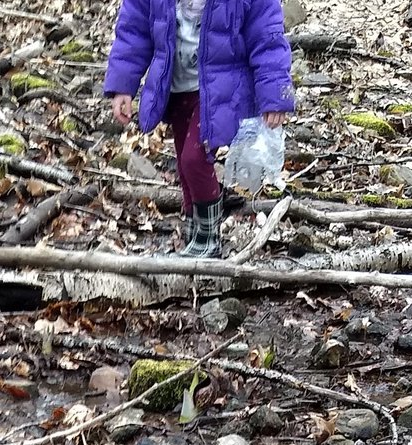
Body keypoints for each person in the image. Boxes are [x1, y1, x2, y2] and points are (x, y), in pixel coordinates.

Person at [105, 0, 293, 258]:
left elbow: (267, 37)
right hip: (175, 85)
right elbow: (133, 30)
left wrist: (274, 96)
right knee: (183, 166)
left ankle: (208, 236)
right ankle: (195, 228)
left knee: (194, 159)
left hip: (221, 89)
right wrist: (122, 86)